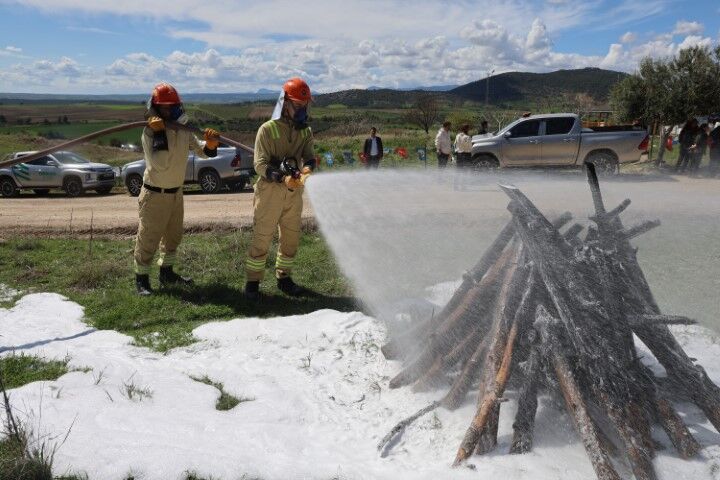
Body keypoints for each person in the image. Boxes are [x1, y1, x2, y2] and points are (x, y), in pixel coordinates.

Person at [134, 82, 220, 296]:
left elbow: (201, 151)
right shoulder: (149, 132)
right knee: (149, 237)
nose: (168, 111)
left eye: (171, 107)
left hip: (176, 193)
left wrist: (210, 145)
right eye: (163, 107)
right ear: (154, 108)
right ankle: (142, 280)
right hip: (155, 194)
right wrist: (160, 134)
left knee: (173, 236)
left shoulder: (183, 130)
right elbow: (160, 164)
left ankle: (167, 273)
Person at [244, 77, 315, 301]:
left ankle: (284, 278)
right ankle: (252, 283)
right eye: (298, 105)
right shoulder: (267, 130)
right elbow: (259, 165)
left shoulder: (305, 131)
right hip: (270, 192)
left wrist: (307, 170)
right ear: (285, 104)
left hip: (293, 193)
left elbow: (309, 157)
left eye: (305, 105)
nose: (302, 110)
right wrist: (281, 177)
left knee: (291, 238)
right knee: (262, 236)